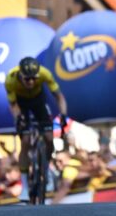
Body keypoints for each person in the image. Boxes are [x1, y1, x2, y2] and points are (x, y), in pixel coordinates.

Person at [4, 56, 68, 202]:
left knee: (49, 138)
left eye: (34, 78)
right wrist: (18, 118)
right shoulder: (11, 79)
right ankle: (25, 186)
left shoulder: (45, 73)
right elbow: (13, 105)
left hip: (38, 101)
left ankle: (46, 170)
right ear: (21, 75)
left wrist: (63, 115)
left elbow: (59, 97)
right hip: (21, 103)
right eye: (28, 79)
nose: (31, 82)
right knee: (25, 141)